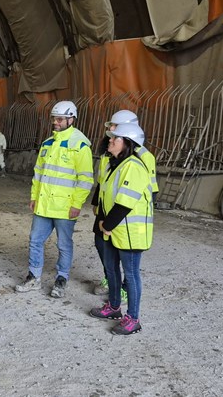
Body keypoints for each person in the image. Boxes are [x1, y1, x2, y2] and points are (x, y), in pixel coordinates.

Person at [14, 101, 93, 298]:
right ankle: (33, 277)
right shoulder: (47, 144)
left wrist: (77, 204)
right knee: (35, 240)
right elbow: (38, 173)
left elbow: (85, 179)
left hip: (65, 207)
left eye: (59, 119)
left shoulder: (80, 146)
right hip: (44, 204)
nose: (55, 123)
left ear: (71, 120)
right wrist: (34, 197)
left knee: (64, 245)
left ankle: (61, 279)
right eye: (54, 119)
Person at [88, 123, 153, 335]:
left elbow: (125, 203)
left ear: (128, 143)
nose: (110, 140)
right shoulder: (114, 164)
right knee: (111, 270)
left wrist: (105, 225)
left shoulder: (134, 166)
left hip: (129, 232)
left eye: (115, 138)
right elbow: (106, 197)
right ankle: (114, 307)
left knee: (131, 275)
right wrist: (104, 224)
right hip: (113, 229)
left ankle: (133, 318)